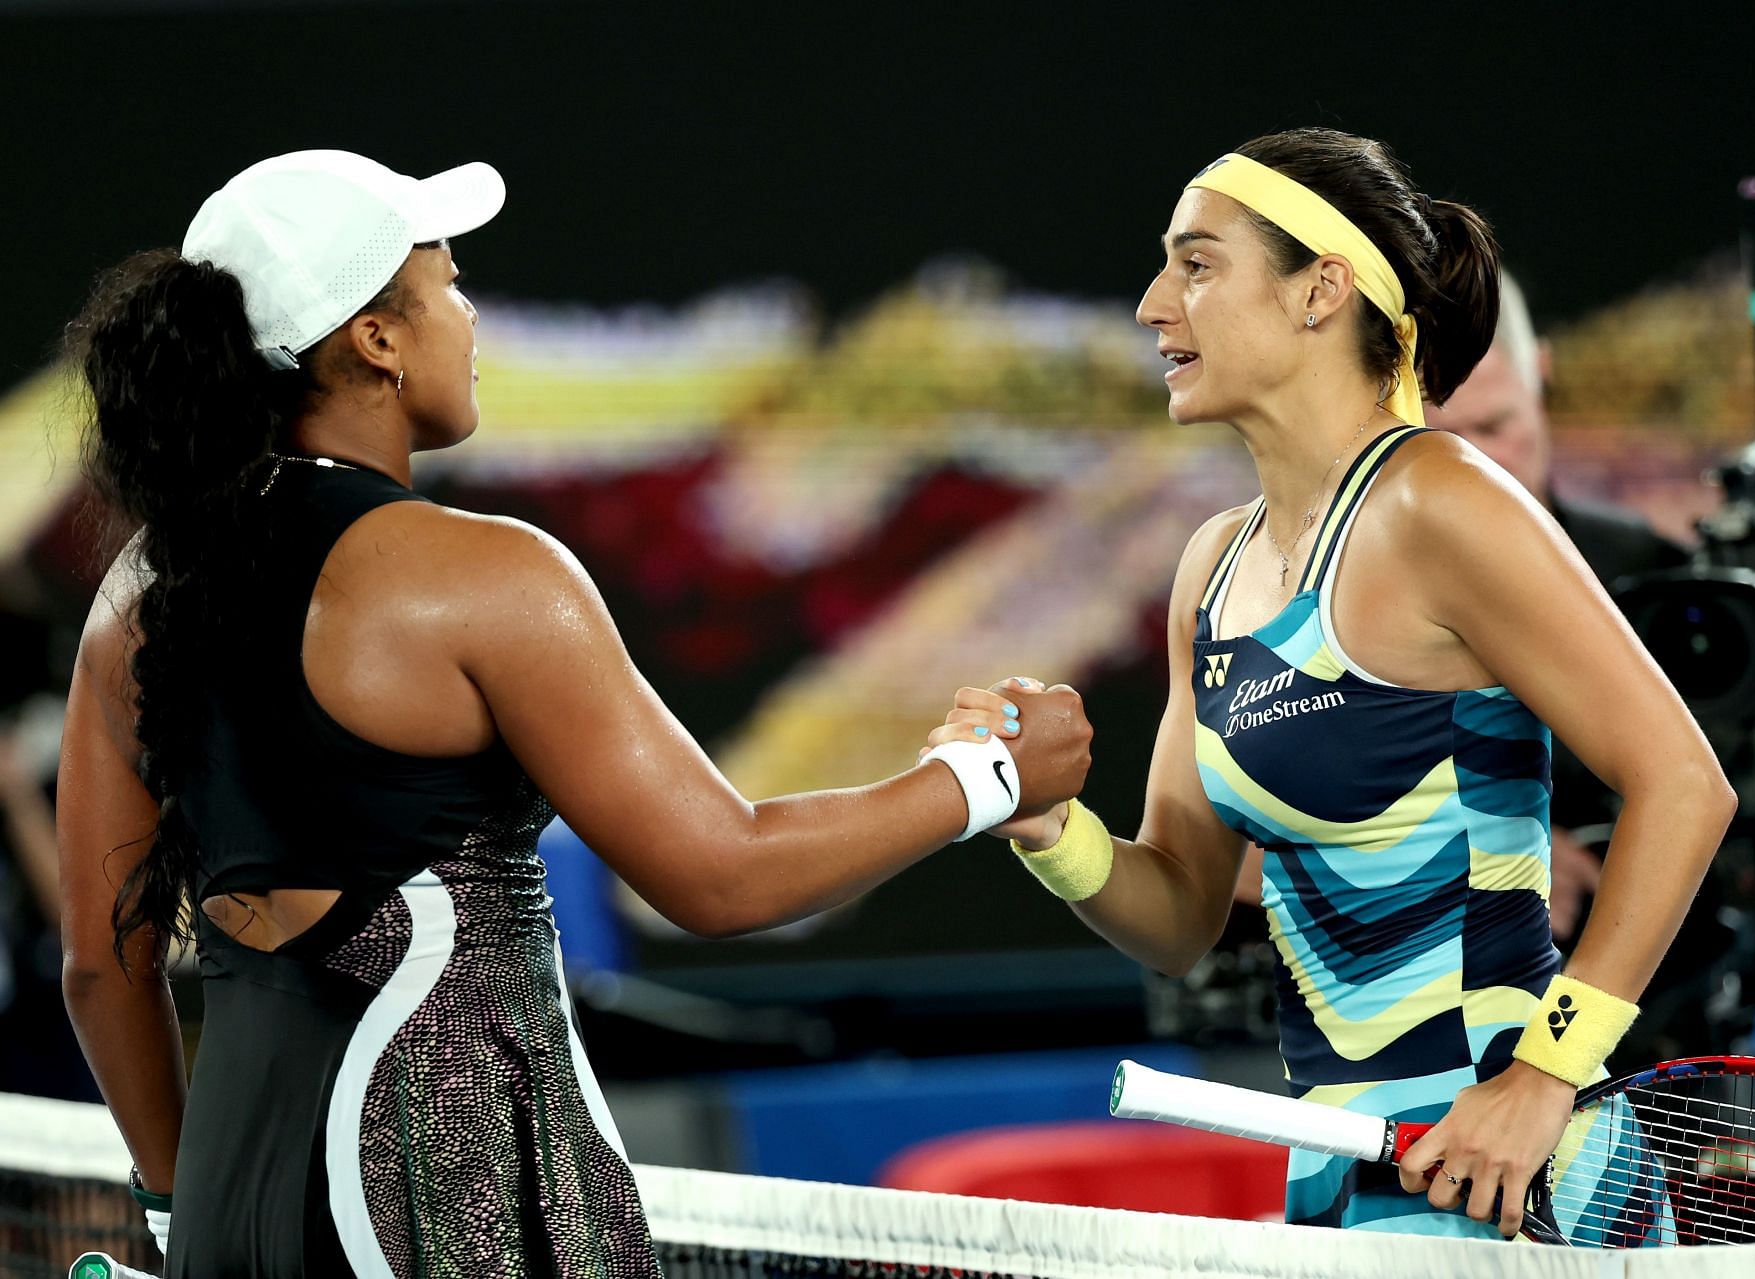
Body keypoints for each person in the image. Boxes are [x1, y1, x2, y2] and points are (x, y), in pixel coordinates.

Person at [57, 150, 1090, 1278]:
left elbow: (103, 964)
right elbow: (721, 873)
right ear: (377, 338)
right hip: (443, 1205)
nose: (471, 315)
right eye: (448, 282)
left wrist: (173, 1201)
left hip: (224, 1204)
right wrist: (986, 778)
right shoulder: (483, 574)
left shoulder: (135, 596)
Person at [933, 129, 1733, 1238]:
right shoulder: (1213, 569)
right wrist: (1045, 825)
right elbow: (1176, 911)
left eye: (1198, 263)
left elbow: (1686, 786)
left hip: (1504, 1174)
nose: (1154, 303)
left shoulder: (1440, 501)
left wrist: (1547, 1076)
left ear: (1322, 290)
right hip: (1343, 1173)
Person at [1429, 275, 1755, 952]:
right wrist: (1463, 847)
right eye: (1440, 441)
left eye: (1495, 427)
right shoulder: (1327, 602)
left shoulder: (1658, 575)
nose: (1479, 466)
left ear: (1541, 374)